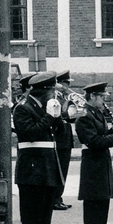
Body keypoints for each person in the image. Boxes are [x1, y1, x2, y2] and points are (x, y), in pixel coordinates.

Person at [14, 72, 63, 224]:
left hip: (46, 168)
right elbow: (31, 133)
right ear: (42, 91)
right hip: (32, 171)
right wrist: (49, 117)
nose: (54, 94)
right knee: (33, 222)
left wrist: (58, 117)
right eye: (52, 91)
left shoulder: (44, 106)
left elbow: (56, 133)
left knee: (44, 221)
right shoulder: (22, 108)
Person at [75, 81, 113, 224]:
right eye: (101, 97)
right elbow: (94, 141)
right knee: (93, 206)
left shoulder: (98, 113)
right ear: (92, 96)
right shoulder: (84, 115)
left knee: (103, 203)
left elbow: (103, 135)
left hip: (101, 162)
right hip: (92, 164)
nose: (103, 101)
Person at [51, 71, 75, 211]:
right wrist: (68, 114)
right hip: (59, 138)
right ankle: (55, 198)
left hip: (66, 138)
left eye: (68, 83)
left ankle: (59, 197)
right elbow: (56, 117)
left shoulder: (65, 97)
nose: (67, 86)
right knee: (58, 170)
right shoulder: (54, 98)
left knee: (63, 170)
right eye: (65, 83)